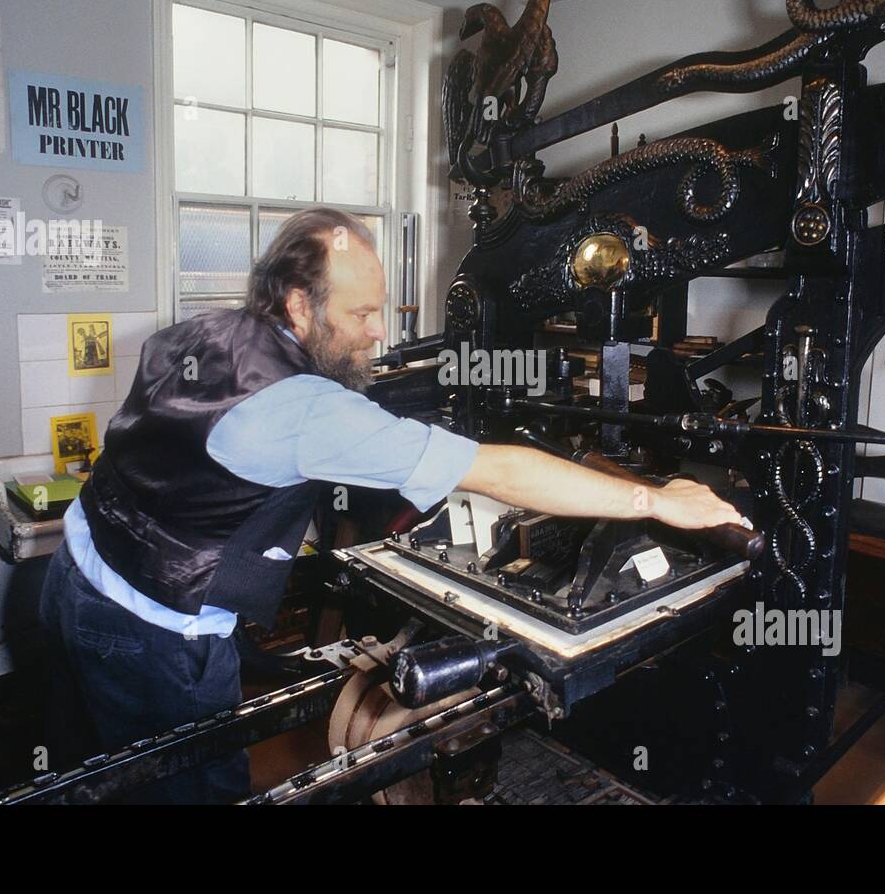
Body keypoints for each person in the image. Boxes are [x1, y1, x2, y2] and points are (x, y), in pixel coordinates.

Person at [38, 206, 742, 803]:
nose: (380, 332)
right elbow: (496, 472)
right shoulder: (301, 411)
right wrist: (653, 496)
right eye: (362, 314)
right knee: (193, 789)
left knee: (89, 776)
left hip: (72, 576)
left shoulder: (206, 331)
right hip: (154, 638)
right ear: (297, 307)